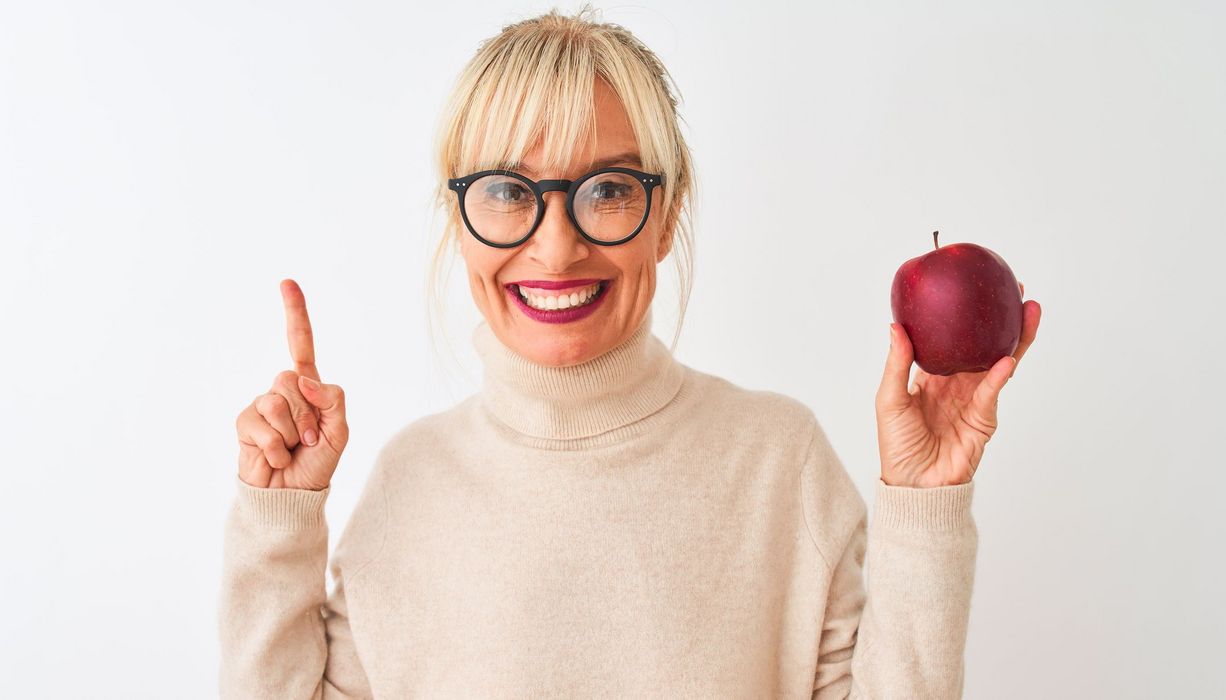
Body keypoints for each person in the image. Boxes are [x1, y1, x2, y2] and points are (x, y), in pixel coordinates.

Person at [220, 7, 1042, 699]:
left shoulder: (777, 463)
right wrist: (278, 525)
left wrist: (923, 507)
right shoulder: (408, 483)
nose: (555, 249)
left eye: (608, 189)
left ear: (669, 211)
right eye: (508, 191)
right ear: (457, 216)